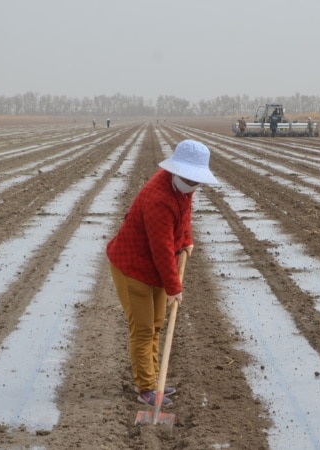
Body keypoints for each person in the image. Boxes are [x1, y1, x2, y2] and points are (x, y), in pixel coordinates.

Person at [106, 139, 220, 406]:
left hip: (154, 267)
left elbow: (184, 217)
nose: (193, 185)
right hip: (132, 266)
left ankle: (156, 379)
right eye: (190, 180)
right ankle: (146, 387)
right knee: (145, 328)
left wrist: (187, 239)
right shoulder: (158, 198)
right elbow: (161, 248)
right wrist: (174, 287)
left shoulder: (183, 187)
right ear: (176, 171)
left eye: (197, 181)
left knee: (157, 324)